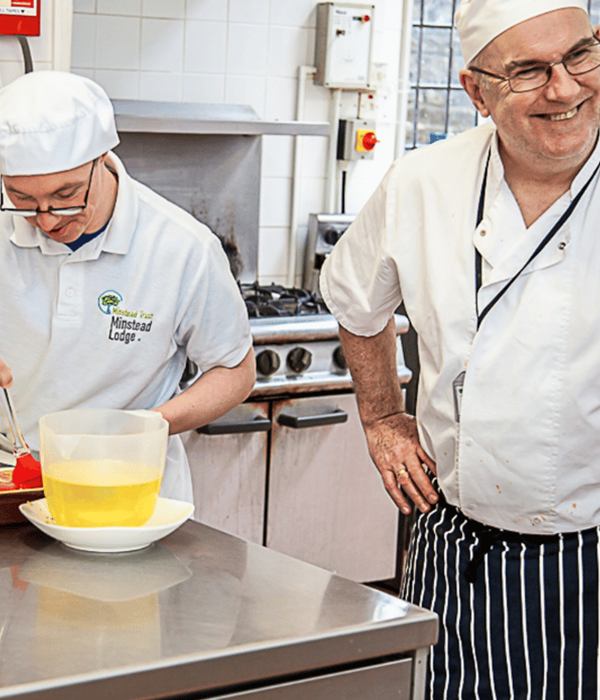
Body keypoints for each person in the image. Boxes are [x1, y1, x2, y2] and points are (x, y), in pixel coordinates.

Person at [320, 0, 600, 697]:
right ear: (476, 89)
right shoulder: (423, 182)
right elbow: (357, 306)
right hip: (453, 540)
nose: (564, 89)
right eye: (530, 71)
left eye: (580, 55)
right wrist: (383, 420)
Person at [0, 71, 255, 502]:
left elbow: (235, 371)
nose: (47, 220)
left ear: (102, 158)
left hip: (129, 486)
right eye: (23, 200)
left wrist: (145, 427)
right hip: (12, 480)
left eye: (67, 195)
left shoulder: (181, 247)